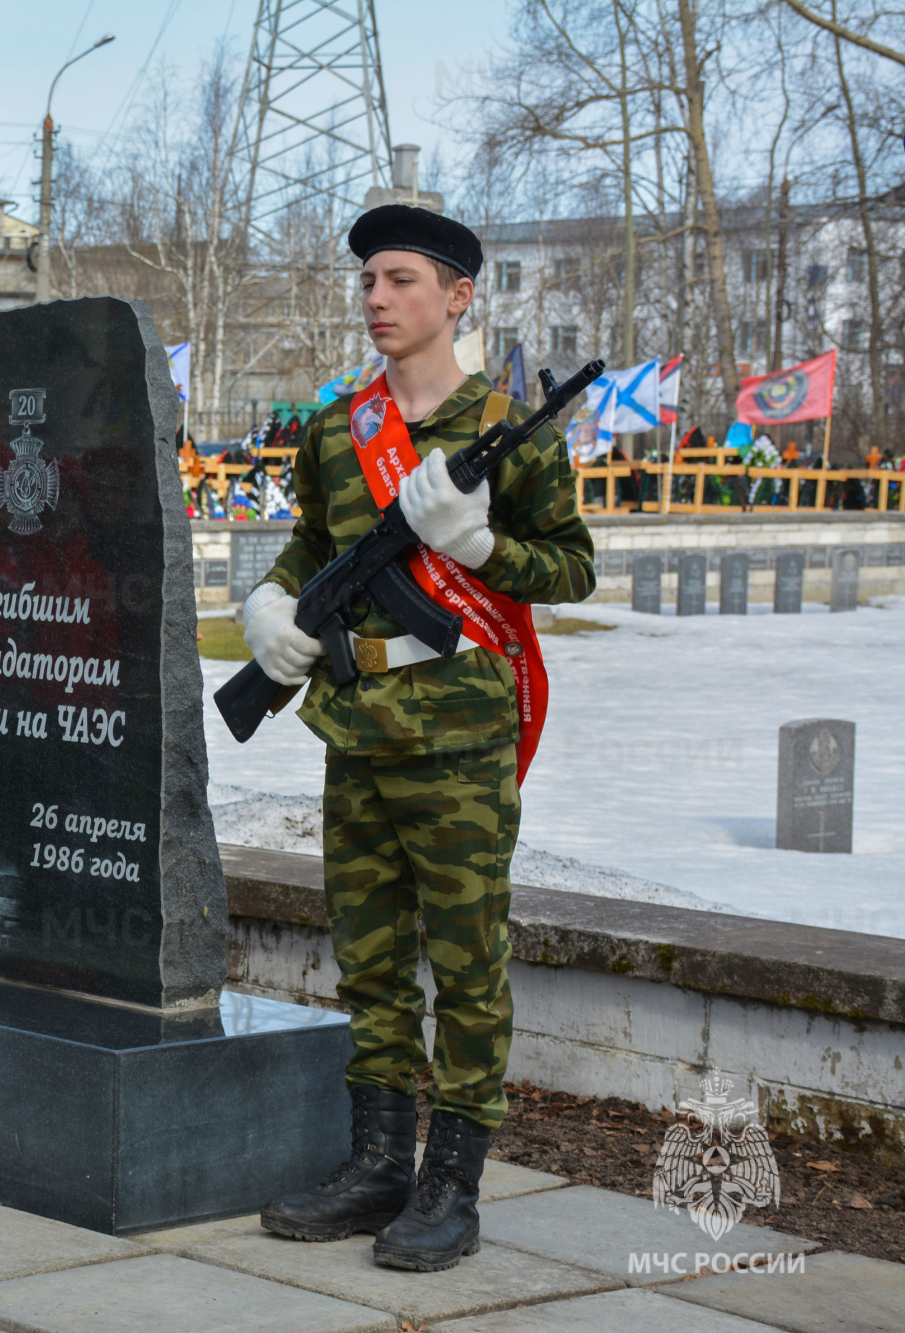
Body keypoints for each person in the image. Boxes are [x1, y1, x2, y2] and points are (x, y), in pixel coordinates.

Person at [244, 204, 593, 1272]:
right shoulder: (334, 429)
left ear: (456, 296)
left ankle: (451, 1183)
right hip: (355, 723)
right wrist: (271, 600)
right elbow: (310, 541)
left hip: (458, 736)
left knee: (465, 961)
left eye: (399, 280)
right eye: (366, 282)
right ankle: (377, 1163)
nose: (376, 299)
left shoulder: (504, 428)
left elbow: (569, 568)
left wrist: (480, 542)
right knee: (370, 960)